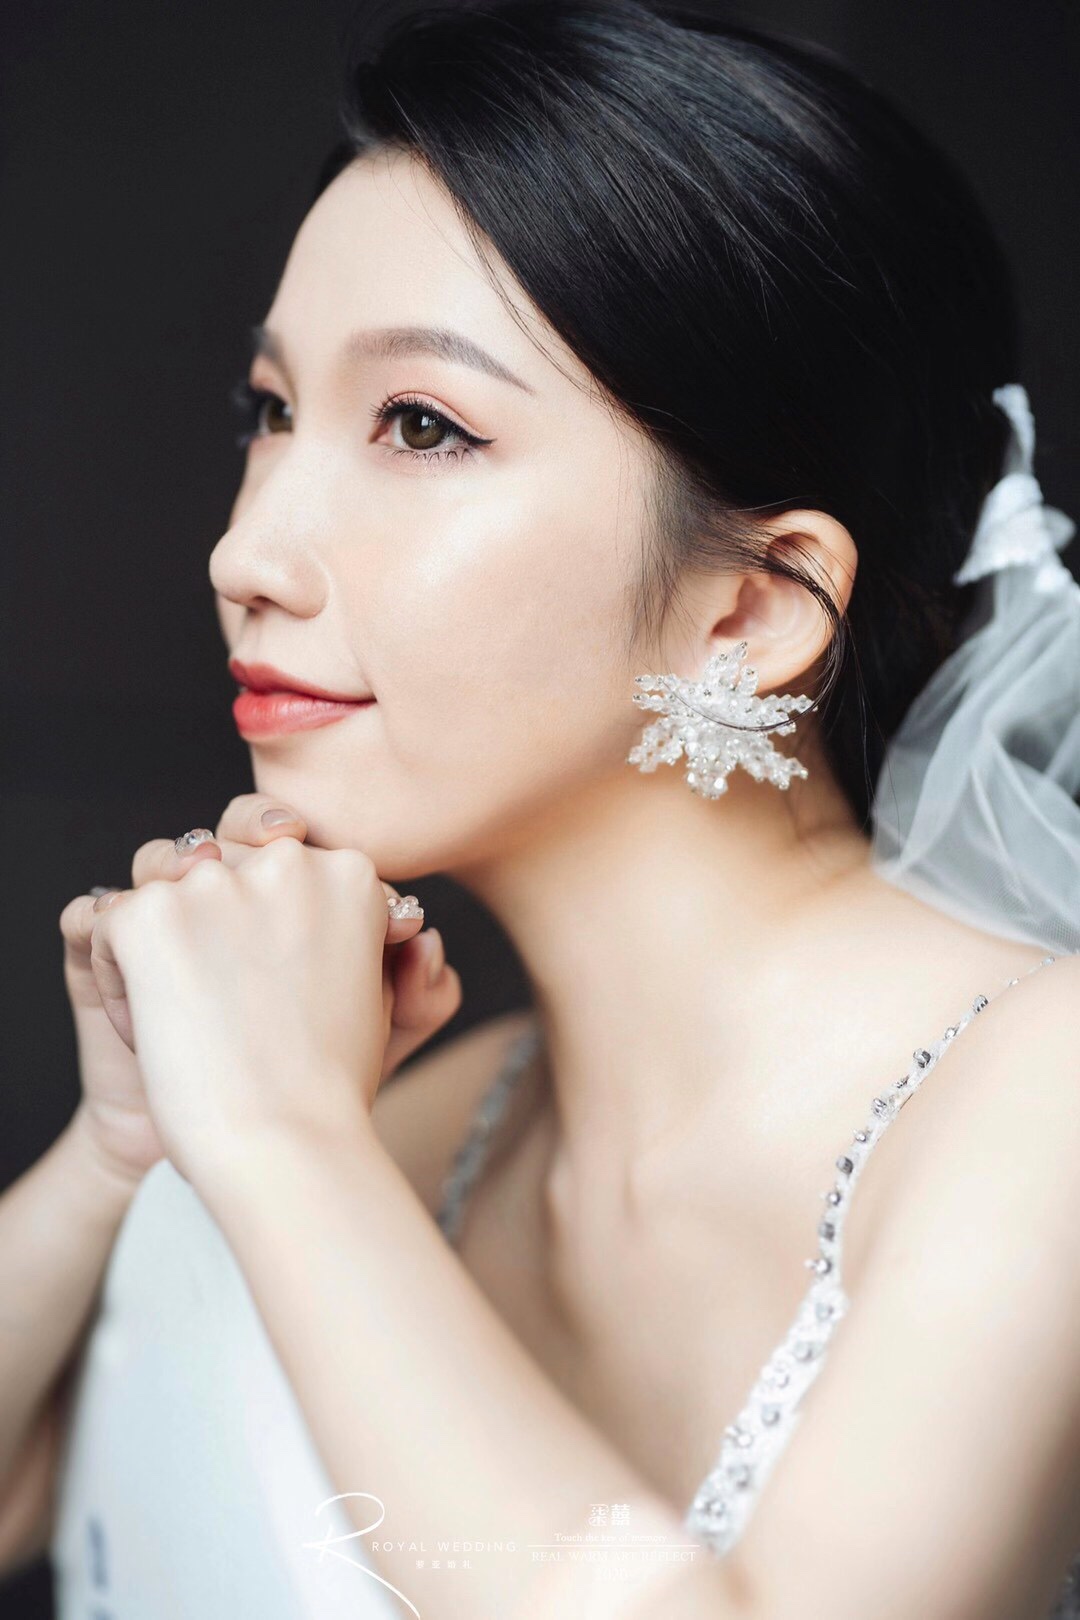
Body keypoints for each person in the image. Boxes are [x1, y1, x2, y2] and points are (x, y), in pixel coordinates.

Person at [1, 2, 1078, 1616]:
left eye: (423, 426)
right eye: (271, 413)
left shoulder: (1042, 1102)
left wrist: (286, 1145)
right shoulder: (436, 1130)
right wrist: (124, 1151)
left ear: (750, 611)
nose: (246, 552)